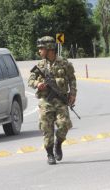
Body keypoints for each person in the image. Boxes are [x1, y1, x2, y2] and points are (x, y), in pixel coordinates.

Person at [28, 36, 77, 165]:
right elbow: (30, 80)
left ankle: (58, 144)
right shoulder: (40, 65)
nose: (39, 51)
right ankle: (50, 154)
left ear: (49, 48)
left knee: (64, 124)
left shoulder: (64, 63)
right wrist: (38, 84)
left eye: (41, 48)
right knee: (46, 128)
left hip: (60, 100)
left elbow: (72, 78)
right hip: (46, 101)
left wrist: (72, 94)